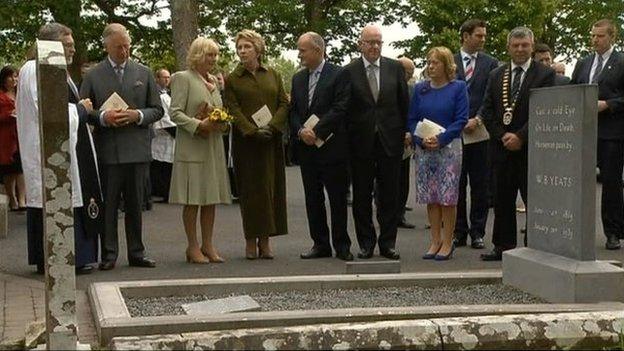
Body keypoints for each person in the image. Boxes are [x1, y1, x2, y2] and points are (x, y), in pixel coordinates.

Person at [16, 22, 103, 274]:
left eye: (73, 45)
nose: (72, 50)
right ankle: (59, 258)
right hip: (51, 154)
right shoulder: (34, 69)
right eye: (67, 45)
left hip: (68, 151)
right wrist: (81, 110)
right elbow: (47, 109)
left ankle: (76, 256)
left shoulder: (58, 70)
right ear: (50, 45)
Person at [80, 23, 163, 270]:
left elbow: (157, 109)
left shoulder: (144, 72)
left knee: (136, 206)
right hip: (108, 151)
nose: (124, 51)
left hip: (137, 150)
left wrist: (137, 115)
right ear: (106, 46)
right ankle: (109, 253)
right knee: (108, 206)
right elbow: (85, 110)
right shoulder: (93, 75)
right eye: (118, 47)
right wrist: (104, 118)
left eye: (127, 46)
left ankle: (137, 252)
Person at [480, 26, 555, 261]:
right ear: (508, 47)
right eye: (516, 45)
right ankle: (503, 246)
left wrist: (520, 137)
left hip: (530, 150)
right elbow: (488, 111)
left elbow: (545, 112)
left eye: (525, 45)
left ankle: (533, 246)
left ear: (532, 47)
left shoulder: (544, 74)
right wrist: (503, 136)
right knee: (502, 200)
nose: (520, 49)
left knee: (534, 200)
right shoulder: (496, 75)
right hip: (501, 148)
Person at [342, 25, 409, 260]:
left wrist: (406, 133)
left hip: (390, 142)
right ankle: (366, 243)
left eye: (378, 42)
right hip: (360, 143)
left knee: (389, 195)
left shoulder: (394, 68)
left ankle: (388, 243)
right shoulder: (349, 71)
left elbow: (404, 105)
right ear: (360, 44)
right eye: (370, 42)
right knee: (361, 196)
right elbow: (344, 109)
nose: (375, 46)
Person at [224, 29, 289, 259]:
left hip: (271, 141)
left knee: (271, 190)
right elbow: (232, 108)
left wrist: (272, 127)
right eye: (239, 47)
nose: (242, 51)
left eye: (247, 47)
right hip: (248, 143)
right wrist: (251, 131)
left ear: (258, 49)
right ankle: (250, 240)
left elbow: (283, 102)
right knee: (251, 192)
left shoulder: (272, 74)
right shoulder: (233, 78)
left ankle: (266, 241)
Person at [290, 32, 353, 261]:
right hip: (307, 150)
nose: (300, 54)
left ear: (317, 50)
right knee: (312, 199)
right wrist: (300, 131)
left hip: (332, 147)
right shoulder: (297, 78)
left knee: (337, 198)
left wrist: (316, 131)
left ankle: (342, 245)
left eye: (303, 50)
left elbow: (341, 107)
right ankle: (320, 244)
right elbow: (294, 111)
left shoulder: (339, 74)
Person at [168, 37, 232, 264]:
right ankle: (192, 246)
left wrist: (221, 121)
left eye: (215, 55)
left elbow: (219, 111)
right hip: (192, 147)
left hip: (212, 147)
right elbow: (174, 113)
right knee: (193, 199)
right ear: (197, 55)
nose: (213, 60)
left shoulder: (214, 81)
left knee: (210, 199)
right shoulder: (182, 78)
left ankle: (208, 244)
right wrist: (198, 125)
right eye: (209, 55)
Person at [408, 47, 468, 261]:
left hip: (449, 149)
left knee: (447, 199)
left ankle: (448, 241)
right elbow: (412, 118)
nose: (431, 66)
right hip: (425, 150)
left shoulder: (458, 88)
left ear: (446, 65)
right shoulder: (420, 89)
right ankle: (434, 240)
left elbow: (461, 119)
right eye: (429, 62)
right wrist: (420, 139)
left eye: (435, 62)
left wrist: (441, 139)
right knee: (431, 198)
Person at [571, 19, 624, 250]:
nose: (595, 40)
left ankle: (613, 232)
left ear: (612, 37)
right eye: (592, 35)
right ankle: (574, 229)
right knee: (578, 180)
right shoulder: (583, 63)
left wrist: (609, 104)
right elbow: (572, 90)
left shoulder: (621, 62)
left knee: (611, 183)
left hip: (611, 132)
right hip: (584, 130)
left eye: (600, 36)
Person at [453, 19, 499, 249]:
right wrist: (460, 121)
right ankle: (458, 231)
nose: (483, 39)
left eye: (484, 35)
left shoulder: (491, 64)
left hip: (480, 132)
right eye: (478, 35)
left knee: (480, 185)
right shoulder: (448, 61)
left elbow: (492, 96)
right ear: (465, 36)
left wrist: (478, 118)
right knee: (457, 185)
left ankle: (477, 232)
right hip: (455, 132)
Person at [0, 65, 26, 211]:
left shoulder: (20, 94)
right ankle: (12, 198)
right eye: (11, 76)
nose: (14, 79)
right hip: (6, 139)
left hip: (21, 135)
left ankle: (22, 200)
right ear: (4, 79)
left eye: (16, 76)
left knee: (21, 169)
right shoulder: (1, 96)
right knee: (10, 171)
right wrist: (8, 115)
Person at [396, 56, 416, 229]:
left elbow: (414, 114)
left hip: (407, 141)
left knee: (403, 179)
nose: (410, 75)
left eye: (412, 72)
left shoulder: (412, 90)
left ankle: (399, 213)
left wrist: (410, 133)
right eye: (408, 72)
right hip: (389, 139)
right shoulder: (387, 86)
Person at [151, 68, 175, 203]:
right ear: (157, 79)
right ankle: (161, 192)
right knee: (162, 166)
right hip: (162, 135)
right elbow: (163, 118)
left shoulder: (169, 95)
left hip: (170, 136)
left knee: (169, 166)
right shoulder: (158, 96)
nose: (166, 80)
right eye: (164, 77)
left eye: (168, 77)